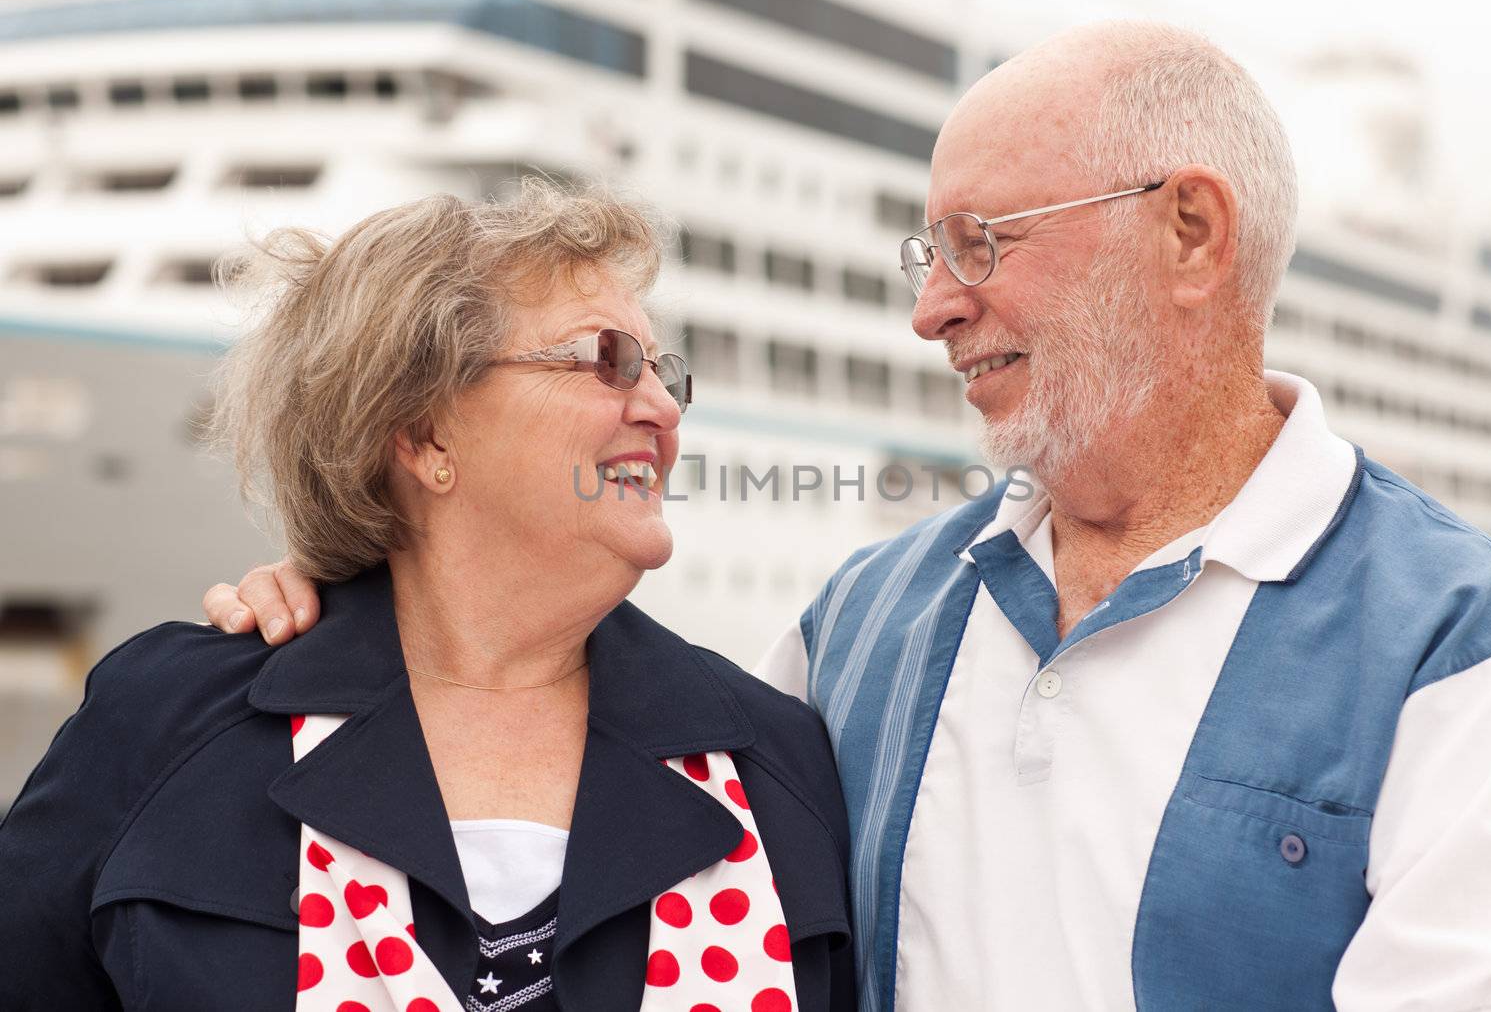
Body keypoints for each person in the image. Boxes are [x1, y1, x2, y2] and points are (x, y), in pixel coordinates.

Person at [202, 23, 1491, 1010]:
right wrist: (356, 605)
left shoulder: (1463, 650)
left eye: (982, 243)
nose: (929, 304)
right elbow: (571, 753)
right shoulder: (861, 620)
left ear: (1190, 233)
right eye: (926, 251)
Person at [0, 182, 854, 1011]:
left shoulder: (774, 759)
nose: (665, 408)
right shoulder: (169, 724)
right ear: (422, 431)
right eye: (609, 361)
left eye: (666, 373)